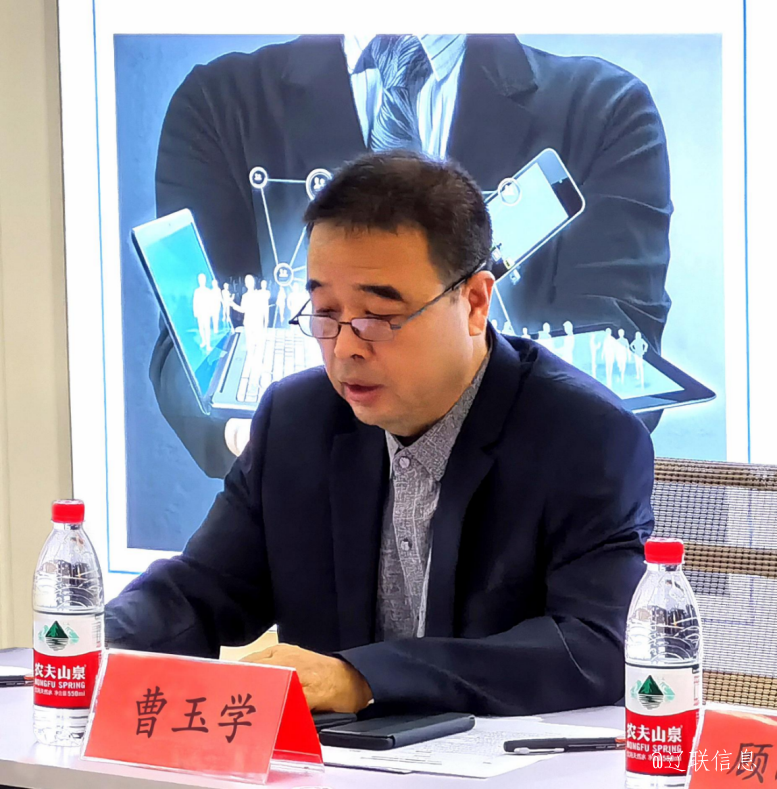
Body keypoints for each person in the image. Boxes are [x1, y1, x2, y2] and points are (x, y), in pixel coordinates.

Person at [107, 152, 655, 717]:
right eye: (325, 312)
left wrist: (364, 678)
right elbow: (201, 591)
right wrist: (93, 642)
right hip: (333, 763)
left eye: (378, 316)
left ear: (474, 302)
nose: (345, 347)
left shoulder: (588, 437)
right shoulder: (296, 422)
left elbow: (596, 646)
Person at [149, 34, 672, 477]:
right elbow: (188, 352)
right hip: (299, 530)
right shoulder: (220, 103)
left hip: (516, 539)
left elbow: (618, 363)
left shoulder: (603, 109)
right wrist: (260, 437)